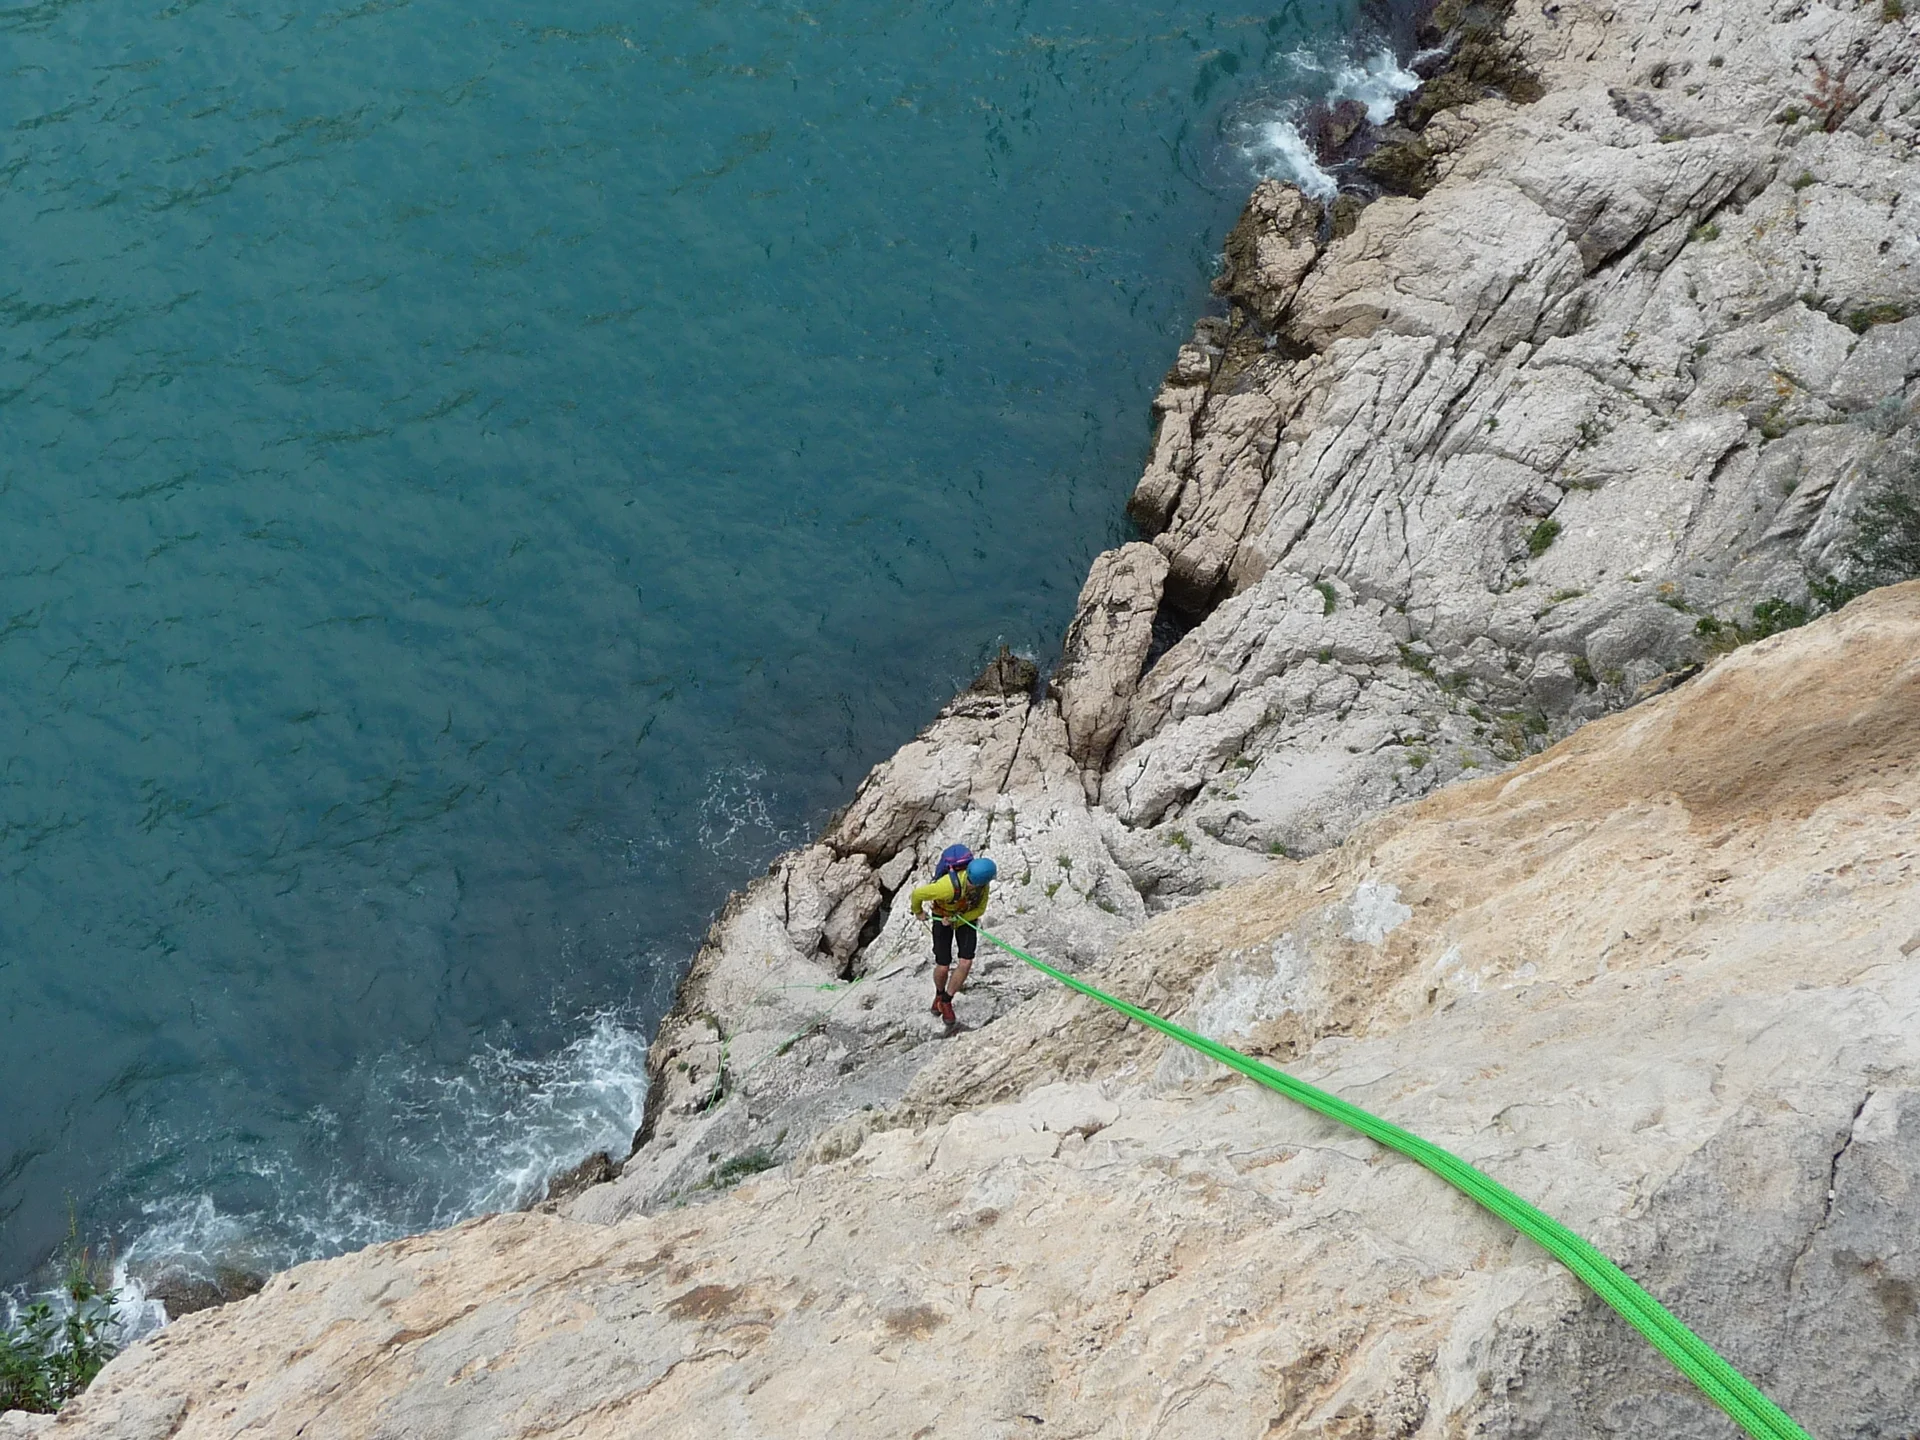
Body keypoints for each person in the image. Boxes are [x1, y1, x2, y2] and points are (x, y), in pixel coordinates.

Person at [910, 845, 997, 1029]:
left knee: (966, 962)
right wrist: (918, 912)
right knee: (943, 965)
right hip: (942, 916)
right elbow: (918, 894)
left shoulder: (982, 886)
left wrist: (958, 920)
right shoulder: (946, 887)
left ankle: (947, 1000)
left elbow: (980, 909)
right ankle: (939, 994)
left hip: (964, 917)